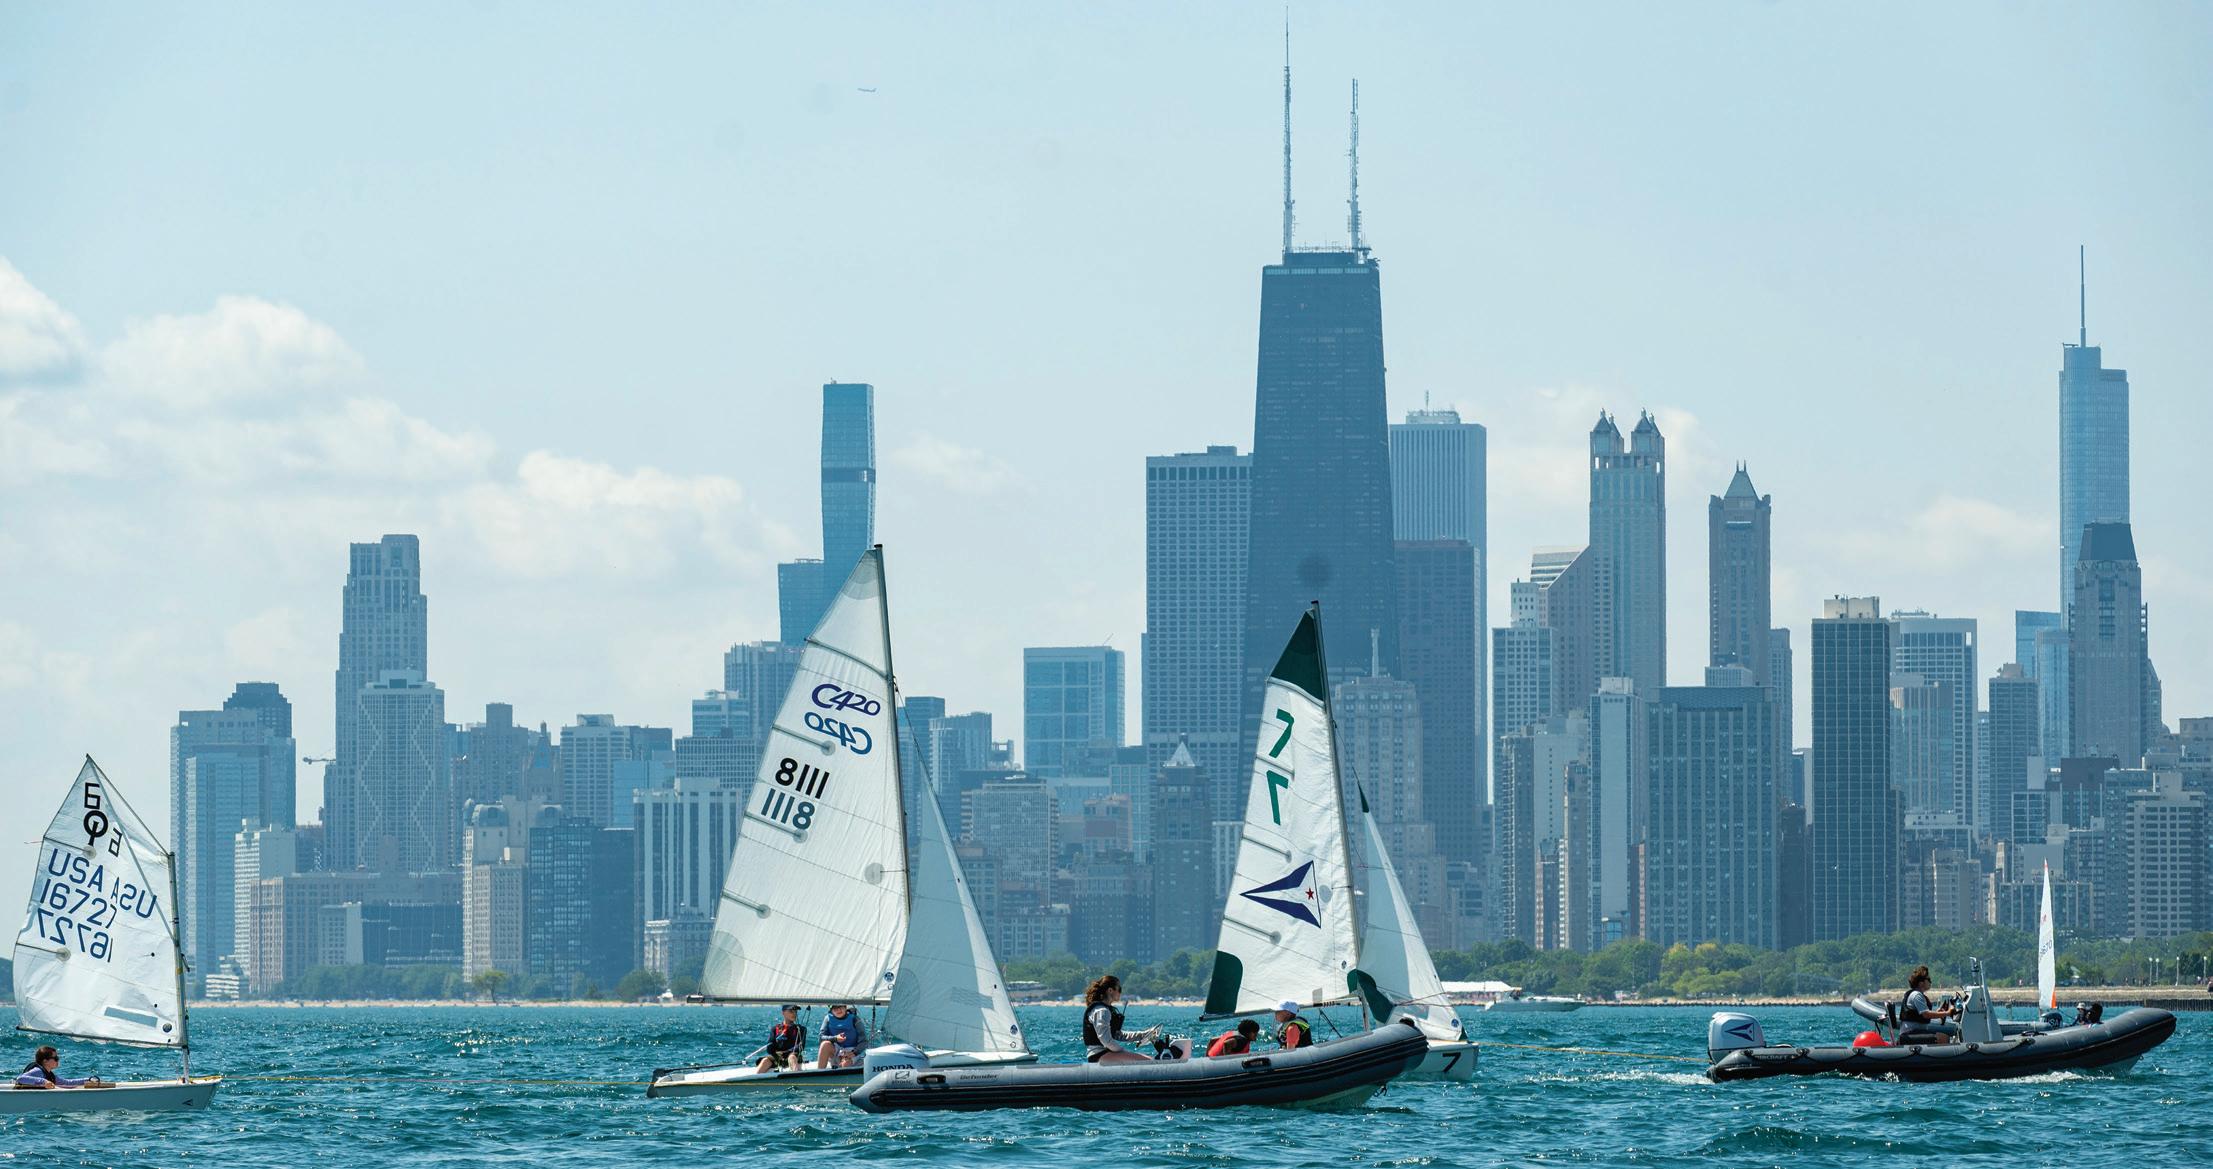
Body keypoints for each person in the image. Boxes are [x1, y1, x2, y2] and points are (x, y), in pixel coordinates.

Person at [1082, 975, 1156, 1065]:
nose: (1120, 992)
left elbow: (1118, 1034)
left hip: (1105, 1053)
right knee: (1149, 1061)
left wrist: (1142, 1035)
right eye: (1119, 989)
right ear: (1110, 990)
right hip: (1098, 1055)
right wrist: (1122, 1051)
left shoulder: (1105, 1010)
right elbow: (1105, 1040)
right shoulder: (1102, 1011)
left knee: (1148, 1059)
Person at [1899, 966, 1959, 1041]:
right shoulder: (1917, 995)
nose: (1930, 982)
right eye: (1928, 979)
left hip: (1915, 1032)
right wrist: (1947, 1013)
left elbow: (1924, 1014)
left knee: (1943, 1036)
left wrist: (1939, 1013)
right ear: (1921, 983)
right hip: (1910, 1033)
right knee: (1943, 1038)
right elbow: (1926, 1015)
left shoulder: (1918, 994)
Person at [14, 1046, 107, 1089]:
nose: (58, 1060)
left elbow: (67, 1083)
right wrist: (44, 1082)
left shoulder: (50, 1075)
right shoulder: (38, 1071)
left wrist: (88, 1080)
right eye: (55, 1058)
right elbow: (20, 1078)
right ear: (45, 1061)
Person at [755, 1004, 808, 1074]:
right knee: (765, 1060)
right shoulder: (775, 1029)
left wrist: (786, 1052)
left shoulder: (801, 1029)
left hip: (793, 1055)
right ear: (783, 1013)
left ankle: (796, 1078)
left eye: (795, 1011)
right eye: (791, 1011)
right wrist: (773, 1047)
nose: (794, 1014)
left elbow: (801, 1046)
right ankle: (755, 1079)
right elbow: (769, 1048)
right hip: (778, 1056)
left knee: (792, 1058)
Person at [817, 1003, 866, 1069]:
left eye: (840, 1006)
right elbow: (821, 1037)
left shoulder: (855, 1019)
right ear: (831, 1010)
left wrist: (854, 1052)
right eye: (835, 1008)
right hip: (836, 1050)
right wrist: (835, 1038)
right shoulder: (828, 1018)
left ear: (845, 1007)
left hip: (852, 1050)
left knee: (845, 1064)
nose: (838, 1010)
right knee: (824, 1044)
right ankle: (820, 1072)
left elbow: (864, 1041)